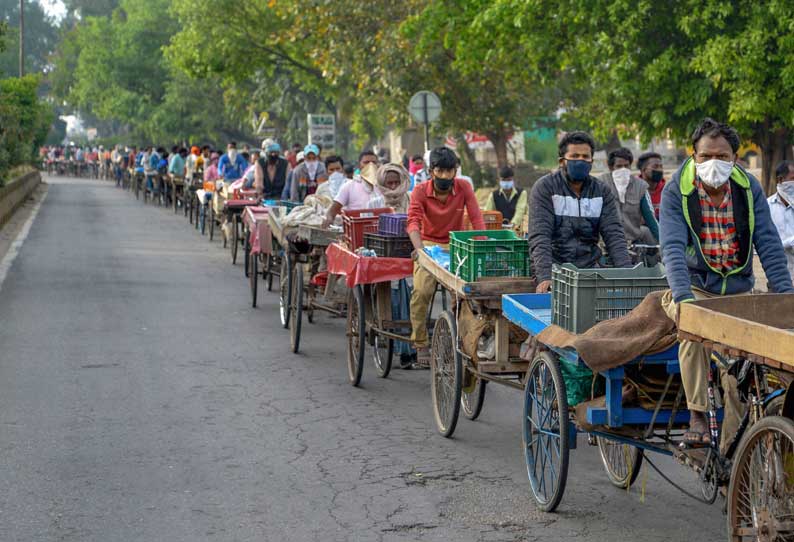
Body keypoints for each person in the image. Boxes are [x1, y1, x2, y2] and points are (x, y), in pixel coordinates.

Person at [659, 118, 794, 447]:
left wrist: (787, 297)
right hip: (693, 287)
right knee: (692, 334)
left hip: (738, 292)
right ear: (694, 156)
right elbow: (673, 248)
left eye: (722, 156)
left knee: (743, 378)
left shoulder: (748, 189)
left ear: (735, 158)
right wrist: (682, 298)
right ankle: (698, 415)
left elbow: (769, 245)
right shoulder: (678, 188)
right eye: (706, 156)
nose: (713, 163)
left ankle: (734, 455)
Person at [406, 147, 485, 365]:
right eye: (440, 171)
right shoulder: (420, 191)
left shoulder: (464, 187)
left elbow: (477, 219)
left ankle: (463, 338)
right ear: (431, 171)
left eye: (449, 171)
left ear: (456, 171)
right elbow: (413, 221)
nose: (444, 176)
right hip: (429, 244)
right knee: (421, 291)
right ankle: (420, 342)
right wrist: (420, 249)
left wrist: (483, 244)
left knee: (465, 293)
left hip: (456, 242)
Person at [529, 131, 631, 293]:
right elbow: (540, 236)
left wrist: (627, 274)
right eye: (575, 156)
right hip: (555, 271)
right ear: (562, 161)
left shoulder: (601, 191)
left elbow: (614, 235)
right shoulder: (545, 188)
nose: (581, 161)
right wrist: (545, 276)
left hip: (590, 270)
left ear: (592, 161)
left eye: (585, 157)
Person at [598, 148, 659, 255]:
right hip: (605, 246)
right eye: (619, 166)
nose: (623, 170)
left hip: (632, 245)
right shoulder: (600, 184)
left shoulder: (640, 187)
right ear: (611, 167)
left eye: (626, 166)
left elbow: (651, 220)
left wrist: (665, 243)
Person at [322, 152, 386, 226]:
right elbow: (332, 211)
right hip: (356, 229)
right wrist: (329, 220)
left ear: (378, 165)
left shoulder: (384, 185)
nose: (370, 165)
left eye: (374, 162)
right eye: (366, 162)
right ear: (359, 165)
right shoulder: (349, 186)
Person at [768, 160, 794, 281]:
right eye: (793, 178)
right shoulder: (767, 207)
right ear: (780, 180)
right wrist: (790, 242)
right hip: (779, 277)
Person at [638, 151, 666, 218]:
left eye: (661, 166)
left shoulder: (667, 190)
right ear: (643, 170)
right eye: (655, 166)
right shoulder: (634, 190)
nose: (660, 170)